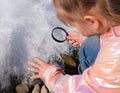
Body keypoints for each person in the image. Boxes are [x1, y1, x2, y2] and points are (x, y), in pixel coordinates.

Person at [27, 0, 120, 93]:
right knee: (89, 44)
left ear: (91, 21)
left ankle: (83, 74)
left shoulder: (113, 60)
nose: (77, 28)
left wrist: (52, 75)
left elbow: (86, 89)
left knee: (87, 48)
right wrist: (85, 36)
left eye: (76, 25)